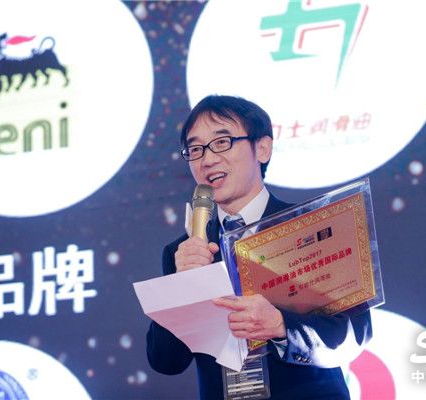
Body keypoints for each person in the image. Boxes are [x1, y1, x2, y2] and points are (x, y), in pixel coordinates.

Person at [146, 95, 372, 399]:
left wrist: (281, 326)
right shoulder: (184, 252)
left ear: (262, 148)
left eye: (222, 142)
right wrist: (180, 285)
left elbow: (354, 334)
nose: (207, 159)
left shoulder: (315, 228)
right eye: (196, 149)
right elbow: (165, 361)